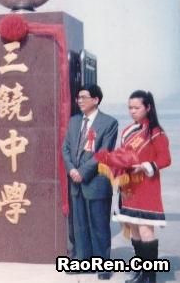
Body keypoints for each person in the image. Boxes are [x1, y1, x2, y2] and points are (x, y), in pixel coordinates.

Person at [62, 84, 118, 280]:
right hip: (76, 183)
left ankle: (103, 265)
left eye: (84, 97)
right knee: (80, 226)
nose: (79, 100)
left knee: (99, 226)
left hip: (96, 182)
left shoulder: (109, 123)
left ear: (96, 100)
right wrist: (71, 170)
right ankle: (84, 261)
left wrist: (83, 172)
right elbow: (66, 149)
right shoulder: (74, 122)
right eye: (78, 97)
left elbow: (103, 153)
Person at [113, 90, 171, 283]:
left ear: (148, 107)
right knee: (134, 230)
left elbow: (165, 158)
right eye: (130, 108)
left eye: (136, 108)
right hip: (129, 188)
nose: (132, 111)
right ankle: (141, 272)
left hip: (147, 187)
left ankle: (150, 276)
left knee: (146, 230)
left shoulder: (155, 132)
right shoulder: (127, 131)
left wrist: (146, 166)